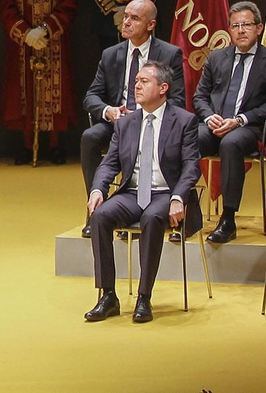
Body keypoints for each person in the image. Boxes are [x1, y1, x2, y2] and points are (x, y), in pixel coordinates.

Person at [83, 63, 201, 325]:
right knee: (100, 217)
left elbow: (192, 167)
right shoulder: (126, 123)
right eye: (136, 80)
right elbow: (110, 163)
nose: (136, 86)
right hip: (132, 193)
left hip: (165, 193)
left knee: (151, 218)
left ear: (163, 88)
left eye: (144, 81)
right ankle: (108, 296)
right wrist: (98, 189)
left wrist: (178, 197)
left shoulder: (184, 121)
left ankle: (144, 297)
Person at [78, 0, 184, 235]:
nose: (126, 22)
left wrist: (146, 114)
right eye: (125, 16)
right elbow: (91, 96)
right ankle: (96, 206)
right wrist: (109, 110)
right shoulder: (110, 55)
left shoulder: (169, 53)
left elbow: (178, 101)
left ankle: (146, 207)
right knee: (90, 137)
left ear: (151, 25)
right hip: (119, 123)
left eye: (134, 18)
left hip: (153, 123)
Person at [193, 0, 266, 244]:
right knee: (190, 138)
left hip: (248, 128)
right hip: (214, 125)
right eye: (235, 26)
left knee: (231, 143)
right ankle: (183, 207)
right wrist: (209, 117)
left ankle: (228, 218)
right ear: (229, 30)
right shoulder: (216, 58)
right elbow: (199, 97)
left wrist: (239, 120)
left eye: (246, 25)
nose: (241, 30)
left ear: (259, 28)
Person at [0, 0, 78, 165]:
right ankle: (26, 145)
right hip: (23, 45)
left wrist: (45, 29)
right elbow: (6, 7)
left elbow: (69, 3)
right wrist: (26, 33)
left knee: (56, 90)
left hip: (53, 41)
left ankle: (54, 145)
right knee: (24, 91)